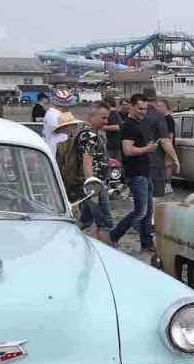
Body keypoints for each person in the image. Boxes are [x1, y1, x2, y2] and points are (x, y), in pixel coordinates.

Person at [109, 95, 156, 251]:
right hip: (136, 174)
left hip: (145, 172)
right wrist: (147, 149)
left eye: (145, 109)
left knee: (148, 211)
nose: (143, 112)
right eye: (140, 108)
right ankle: (114, 235)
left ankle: (147, 243)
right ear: (131, 106)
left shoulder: (140, 123)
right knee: (140, 211)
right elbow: (127, 151)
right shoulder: (128, 126)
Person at [63, 103, 114, 237]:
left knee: (85, 221)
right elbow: (87, 162)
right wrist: (93, 189)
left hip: (90, 185)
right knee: (105, 223)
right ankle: (107, 254)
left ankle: (66, 239)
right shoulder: (89, 136)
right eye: (103, 118)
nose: (106, 122)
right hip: (94, 185)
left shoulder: (87, 133)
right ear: (92, 116)